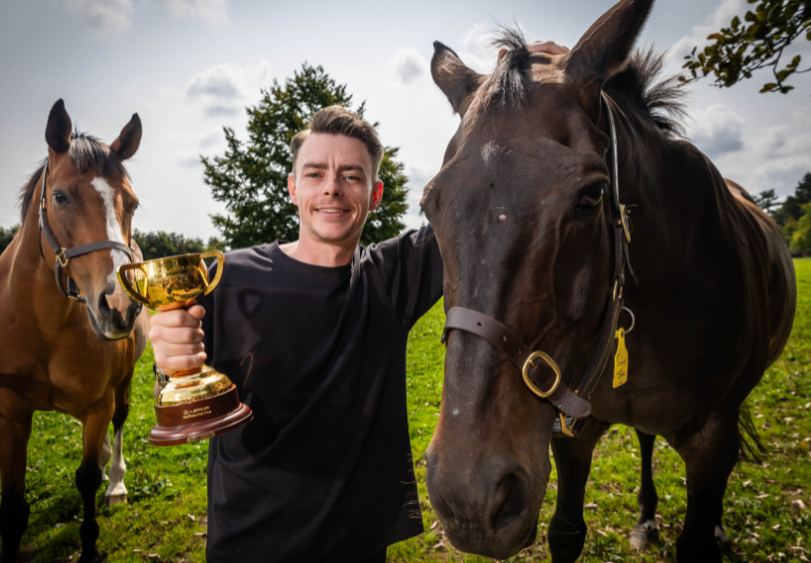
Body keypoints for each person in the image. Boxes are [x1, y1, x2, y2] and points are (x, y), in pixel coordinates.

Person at [149, 42, 571, 563]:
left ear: (374, 195)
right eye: (315, 173)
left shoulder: (393, 276)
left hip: (358, 548)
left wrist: (529, 81)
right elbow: (177, 381)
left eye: (351, 175)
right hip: (248, 545)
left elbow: (487, 199)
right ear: (292, 188)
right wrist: (168, 355)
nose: (333, 189)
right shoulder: (226, 277)